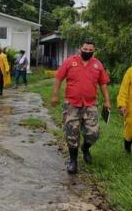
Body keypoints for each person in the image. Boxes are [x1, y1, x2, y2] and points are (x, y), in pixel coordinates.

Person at [51, 39, 111, 174]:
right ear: (80, 48)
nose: (87, 52)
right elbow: (58, 78)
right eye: (85, 49)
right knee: (71, 133)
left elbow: (103, 84)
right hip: (72, 104)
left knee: (93, 133)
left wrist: (107, 100)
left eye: (91, 50)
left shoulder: (97, 65)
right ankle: (73, 161)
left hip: (90, 104)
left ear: (94, 51)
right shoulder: (70, 61)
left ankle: (85, 148)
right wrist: (55, 95)